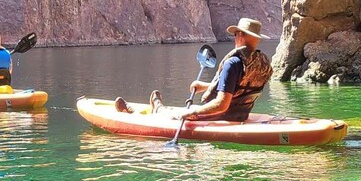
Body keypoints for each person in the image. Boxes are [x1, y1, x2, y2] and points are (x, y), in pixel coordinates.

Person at [115, 18, 273, 121]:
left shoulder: (233, 63)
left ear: (239, 35)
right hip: (239, 115)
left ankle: (143, 111)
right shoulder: (262, 64)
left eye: (235, 35)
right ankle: (157, 106)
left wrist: (193, 112)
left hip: (217, 117)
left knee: (167, 115)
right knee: (182, 109)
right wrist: (205, 86)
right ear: (256, 38)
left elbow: (222, 104)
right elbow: (238, 88)